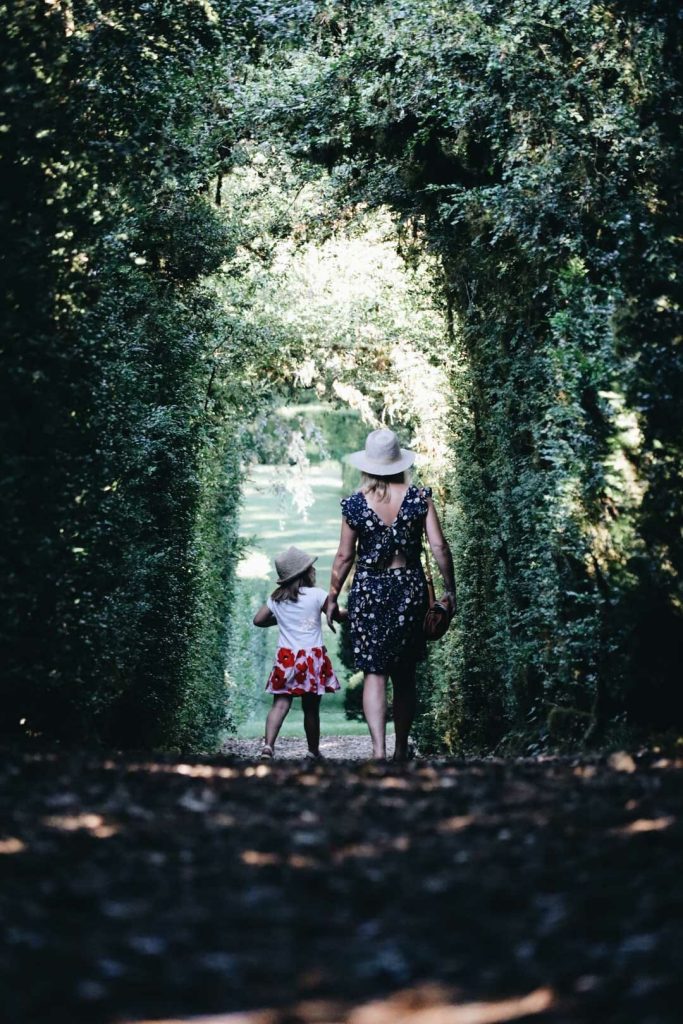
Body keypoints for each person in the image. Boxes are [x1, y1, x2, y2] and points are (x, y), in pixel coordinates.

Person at [326, 428, 456, 761]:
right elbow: (439, 546)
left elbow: (344, 557)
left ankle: (377, 750)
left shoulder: (354, 505)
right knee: (404, 673)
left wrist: (332, 596)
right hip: (409, 591)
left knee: (374, 672)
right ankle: (401, 749)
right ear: (399, 463)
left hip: (369, 591)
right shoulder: (418, 498)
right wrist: (449, 589)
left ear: (368, 466)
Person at [253, 545, 347, 760]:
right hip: (312, 658)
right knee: (311, 708)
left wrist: (280, 618)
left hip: (286, 658)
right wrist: (352, 613)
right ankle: (312, 751)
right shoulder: (316, 595)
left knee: (280, 703)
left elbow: (258, 620)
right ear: (306, 573)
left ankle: (268, 746)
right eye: (311, 568)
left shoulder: (276, 599)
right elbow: (337, 614)